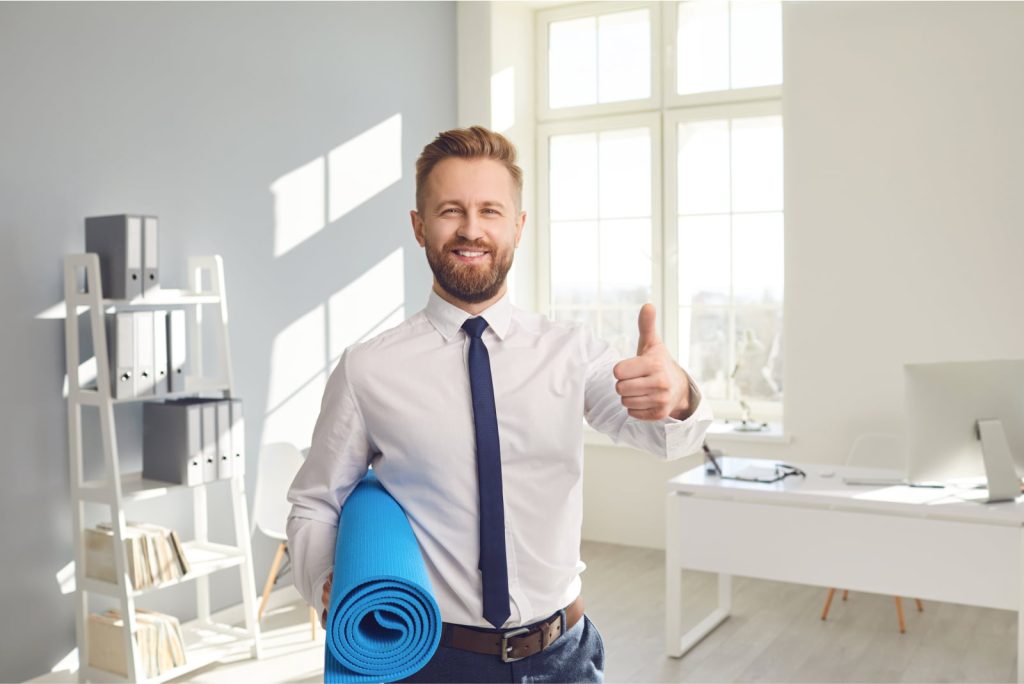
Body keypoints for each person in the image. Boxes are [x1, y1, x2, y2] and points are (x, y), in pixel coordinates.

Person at [286, 125, 712, 683]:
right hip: (434, 662)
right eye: (450, 211)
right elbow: (316, 501)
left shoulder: (571, 352)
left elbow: (666, 439)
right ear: (419, 227)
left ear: (518, 225)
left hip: (565, 656)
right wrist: (327, 581)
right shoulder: (369, 369)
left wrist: (677, 395)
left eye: (490, 211)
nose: (471, 229)